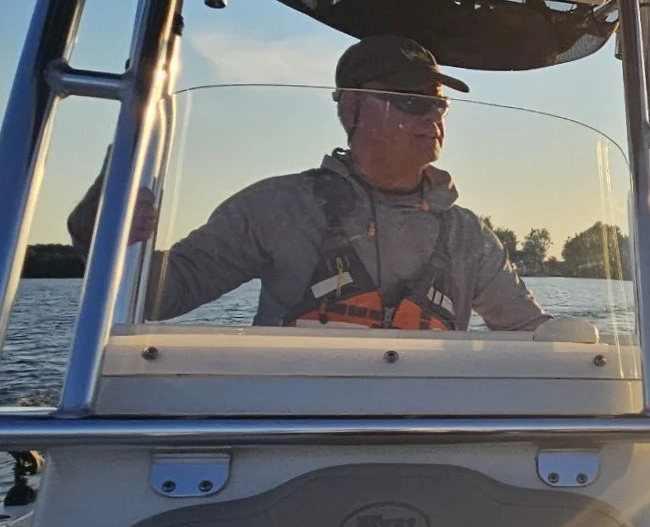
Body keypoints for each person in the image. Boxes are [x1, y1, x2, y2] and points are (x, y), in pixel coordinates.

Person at [67, 36, 545, 331]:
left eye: (439, 102)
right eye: (410, 100)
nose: (434, 113)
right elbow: (161, 296)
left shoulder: (469, 237)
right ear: (351, 108)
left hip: (422, 439)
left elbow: (530, 331)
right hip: (292, 439)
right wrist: (98, 235)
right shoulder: (277, 208)